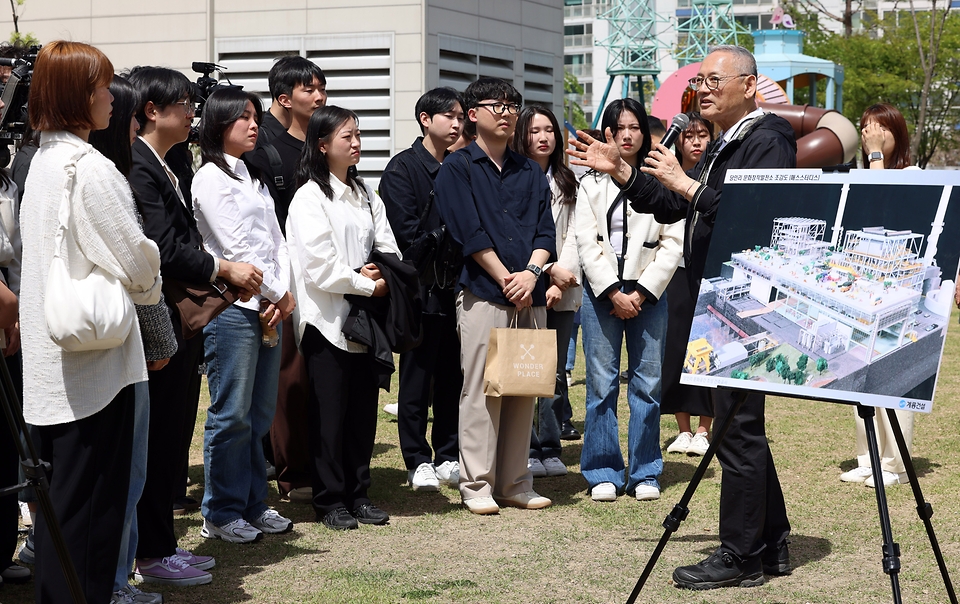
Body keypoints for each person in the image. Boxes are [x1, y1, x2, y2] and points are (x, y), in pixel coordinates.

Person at [568, 44, 795, 589]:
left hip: (745, 301)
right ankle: (773, 542)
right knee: (742, 426)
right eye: (701, 79)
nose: (706, 87)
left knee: (736, 429)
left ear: (749, 84)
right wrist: (622, 171)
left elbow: (752, 212)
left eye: (717, 79)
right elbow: (674, 205)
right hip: (721, 299)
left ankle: (739, 555)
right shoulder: (726, 141)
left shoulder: (768, 138)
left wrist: (687, 183)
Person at [19, 40, 163, 604]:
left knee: (62, 517)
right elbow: (135, 258)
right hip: (98, 369)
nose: (111, 97)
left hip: (53, 363)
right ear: (80, 95)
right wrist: (148, 283)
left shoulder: (40, 164)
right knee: (94, 517)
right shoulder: (88, 167)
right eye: (102, 86)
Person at [128, 66, 258, 586]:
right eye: (182, 103)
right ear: (151, 110)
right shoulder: (140, 166)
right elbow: (161, 245)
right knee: (161, 436)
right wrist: (221, 267)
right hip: (158, 317)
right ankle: (153, 550)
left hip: (177, 321)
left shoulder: (165, 162)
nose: (191, 111)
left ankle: (162, 543)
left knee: (174, 432)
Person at [434, 77, 557, 515]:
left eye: (512, 105)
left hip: (530, 292)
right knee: (482, 390)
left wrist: (531, 273)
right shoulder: (458, 166)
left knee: (524, 386)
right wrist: (509, 277)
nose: (506, 112)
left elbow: (546, 230)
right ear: (473, 114)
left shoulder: (529, 169)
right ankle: (477, 483)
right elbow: (469, 232)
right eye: (496, 105)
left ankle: (515, 481)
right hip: (485, 292)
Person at [88, 73, 178, 604]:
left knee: (136, 464)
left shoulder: (109, 171)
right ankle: (117, 579)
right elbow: (143, 260)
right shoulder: (105, 176)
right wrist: (161, 335)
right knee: (123, 468)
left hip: (122, 334)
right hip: (115, 337)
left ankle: (122, 573)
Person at [286, 105, 399, 530]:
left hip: (365, 321)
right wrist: (367, 280)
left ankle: (359, 493)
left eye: (358, 135)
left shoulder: (366, 192)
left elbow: (389, 248)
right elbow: (320, 267)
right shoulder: (309, 197)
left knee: (361, 414)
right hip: (326, 322)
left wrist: (378, 272)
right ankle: (329, 499)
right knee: (328, 416)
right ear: (322, 144)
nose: (356, 144)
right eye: (346, 137)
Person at [193, 87, 296, 543]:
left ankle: (254, 504)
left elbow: (278, 240)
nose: (254, 125)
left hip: (268, 307)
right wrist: (279, 293)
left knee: (257, 415)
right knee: (230, 413)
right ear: (219, 125)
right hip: (233, 308)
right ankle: (220, 510)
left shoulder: (251, 176)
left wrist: (283, 292)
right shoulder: (209, 178)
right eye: (244, 118)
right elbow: (234, 249)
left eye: (255, 117)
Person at [573, 98, 682, 503]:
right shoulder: (590, 182)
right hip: (602, 293)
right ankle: (602, 469)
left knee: (648, 384)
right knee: (600, 384)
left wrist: (642, 290)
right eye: (619, 127)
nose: (628, 134)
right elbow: (586, 241)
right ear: (608, 134)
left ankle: (645, 471)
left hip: (648, 294)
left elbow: (673, 243)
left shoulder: (662, 178)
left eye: (635, 126)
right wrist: (611, 291)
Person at [248, 56, 326, 503]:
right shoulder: (266, 149)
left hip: (319, 273)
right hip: (280, 277)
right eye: (309, 89)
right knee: (285, 376)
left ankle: (308, 460)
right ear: (283, 97)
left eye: (321, 88)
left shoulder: (317, 141)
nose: (319, 97)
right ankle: (288, 469)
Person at [380, 87, 464, 491]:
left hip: (458, 289)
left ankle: (448, 453)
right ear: (425, 120)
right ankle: (417, 459)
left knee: (452, 377)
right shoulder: (402, 169)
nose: (457, 123)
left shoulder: (460, 165)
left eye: (461, 116)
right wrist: (448, 233)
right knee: (416, 378)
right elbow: (406, 235)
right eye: (449, 115)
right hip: (419, 290)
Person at [838, 102, 915, 488]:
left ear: (894, 133)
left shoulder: (913, 174)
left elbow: (888, 207)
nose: (868, 133)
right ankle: (868, 456)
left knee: (893, 375)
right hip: (863, 286)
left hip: (897, 289)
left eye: (877, 127)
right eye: (864, 126)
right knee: (860, 373)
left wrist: (876, 158)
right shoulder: (860, 174)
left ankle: (894, 463)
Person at [512, 105, 581, 479]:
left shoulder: (570, 180)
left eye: (549, 130)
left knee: (554, 373)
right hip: (526, 286)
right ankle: (525, 445)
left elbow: (578, 235)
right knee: (525, 367)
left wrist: (560, 279)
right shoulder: (514, 177)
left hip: (563, 290)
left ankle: (551, 447)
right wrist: (546, 273)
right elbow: (518, 237)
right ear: (522, 135)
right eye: (535, 130)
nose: (543, 137)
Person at [663, 112, 715, 457]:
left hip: (708, 271)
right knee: (675, 349)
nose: (696, 142)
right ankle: (682, 429)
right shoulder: (669, 178)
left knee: (709, 349)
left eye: (702, 136)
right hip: (675, 272)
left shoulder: (715, 176)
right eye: (689, 136)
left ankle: (704, 428)